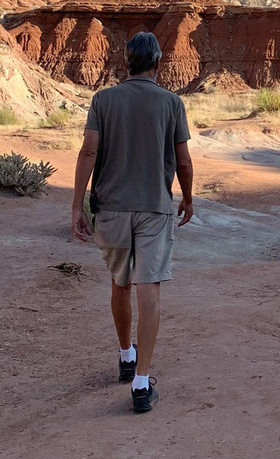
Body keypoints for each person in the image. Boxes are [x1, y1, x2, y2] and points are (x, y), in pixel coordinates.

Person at [71, 31, 194, 414]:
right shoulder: (172, 103)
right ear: (158, 63)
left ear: (127, 63)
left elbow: (89, 150)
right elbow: (184, 160)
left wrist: (77, 205)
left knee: (119, 282)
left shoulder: (103, 100)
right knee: (149, 288)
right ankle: (141, 383)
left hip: (111, 207)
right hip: (155, 208)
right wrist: (188, 198)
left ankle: (126, 355)